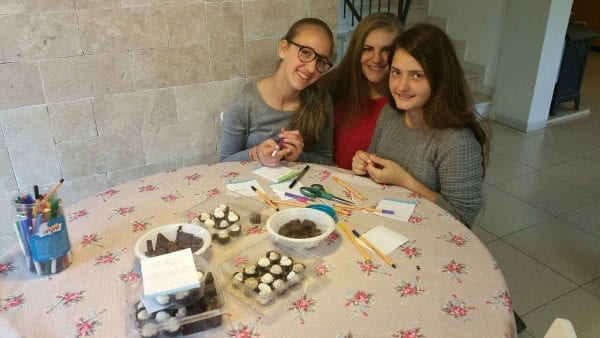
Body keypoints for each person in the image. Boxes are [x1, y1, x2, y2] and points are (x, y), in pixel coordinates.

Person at [352, 23, 490, 227]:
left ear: (440, 78)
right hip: (385, 224)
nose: (401, 86)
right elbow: (375, 168)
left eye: (417, 75)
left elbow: (462, 220)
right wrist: (364, 165)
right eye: (396, 72)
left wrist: (406, 181)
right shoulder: (389, 114)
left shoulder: (457, 140)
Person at [218, 18, 335, 166]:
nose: (312, 68)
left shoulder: (322, 101)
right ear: (283, 49)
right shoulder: (244, 102)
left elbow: (325, 158)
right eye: (305, 52)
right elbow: (223, 163)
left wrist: (299, 157)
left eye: (321, 61)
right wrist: (255, 154)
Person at [322, 13, 402, 170]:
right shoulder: (330, 85)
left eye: (386, 50)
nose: (376, 59)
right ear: (356, 50)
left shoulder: (405, 101)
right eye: (367, 49)